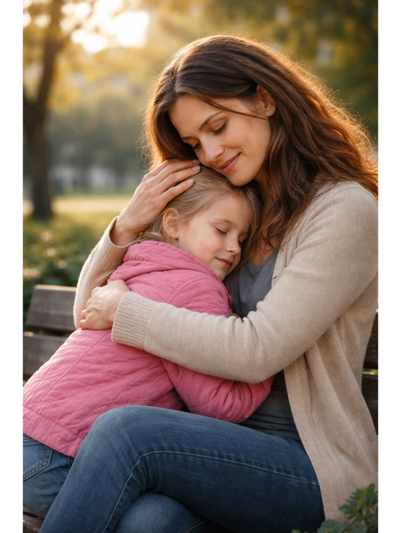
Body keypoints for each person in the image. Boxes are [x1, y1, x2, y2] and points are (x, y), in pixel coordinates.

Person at [39, 35, 379, 533]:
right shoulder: (234, 214)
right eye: (196, 143)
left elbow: (257, 351)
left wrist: (127, 311)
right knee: (147, 524)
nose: (212, 151)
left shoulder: (345, 211)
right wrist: (126, 227)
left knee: (127, 430)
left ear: (265, 98)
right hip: (204, 447)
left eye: (217, 126)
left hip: (308, 467)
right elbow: (90, 315)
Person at [21, 168, 275, 518]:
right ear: (172, 224)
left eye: (242, 238)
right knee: (158, 521)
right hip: (59, 454)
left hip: (31, 437)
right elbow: (218, 405)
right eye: (221, 230)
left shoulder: (139, 265)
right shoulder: (196, 288)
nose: (234, 247)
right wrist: (269, 360)